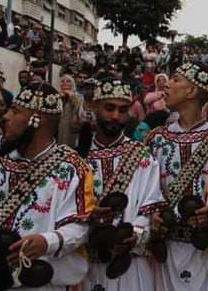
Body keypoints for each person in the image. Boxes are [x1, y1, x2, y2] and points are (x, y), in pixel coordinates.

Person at [0, 83, 96, 289]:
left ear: (36, 120)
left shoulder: (72, 168)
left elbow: (81, 225)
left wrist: (47, 241)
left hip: (41, 283)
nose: (6, 117)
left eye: (15, 111)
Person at [80, 79, 166, 290]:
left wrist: (132, 234)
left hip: (130, 266)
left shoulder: (141, 156)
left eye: (123, 110)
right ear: (94, 107)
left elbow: (151, 205)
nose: (116, 116)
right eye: (109, 108)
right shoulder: (77, 157)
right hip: (87, 264)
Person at [146, 61, 208, 291]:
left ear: (192, 91)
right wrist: (151, 216)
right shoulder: (156, 138)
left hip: (205, 249)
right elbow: (143, 189)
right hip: (165, 247)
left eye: (176, 79)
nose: (166, 85)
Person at [57, 75, 83, 148]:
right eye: (62, 81)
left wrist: (71, 95)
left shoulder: (78, 96)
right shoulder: (56, 96)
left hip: (72, 129)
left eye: (68, 81)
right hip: (59, 129)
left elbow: (79, 106)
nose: (65, 83)